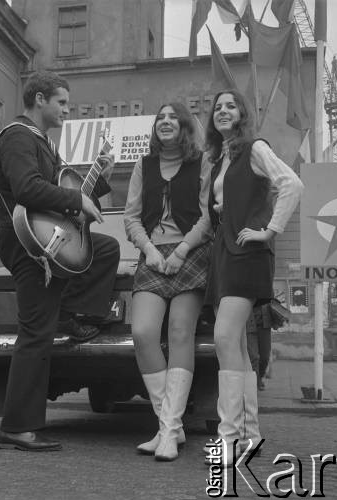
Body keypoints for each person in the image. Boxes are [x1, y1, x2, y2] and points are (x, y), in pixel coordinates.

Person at [0, 71, 120, 452]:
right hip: (27, 243)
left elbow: (63, 190)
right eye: (62, 102)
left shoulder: (43, 143)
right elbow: (28, 188)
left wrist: (98, 182)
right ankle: (17, 426)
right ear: (41, 98)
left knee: (106, 250)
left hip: (45, 239)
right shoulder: (17, 135)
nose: (67, 109)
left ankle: (69, 313)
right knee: (35, 334)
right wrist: (77, 201)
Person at [204, 89, 303, 465]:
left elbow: (292, 184)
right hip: (225, 253)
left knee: (225, 336)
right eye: (218, 108)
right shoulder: (221, 160)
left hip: (248, 252)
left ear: (242, 114)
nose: (223, 111)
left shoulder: (255, 149)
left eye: (231, 106)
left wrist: (270, 230)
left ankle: (228, 437)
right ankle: (249, 436)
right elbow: (227, 204)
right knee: (240, 349)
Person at [124, 102, 212, 461]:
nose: (165, 121)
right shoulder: (143, 166)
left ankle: (167, 431)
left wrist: (180, 251)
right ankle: (169, 428)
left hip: (191, 253)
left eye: (173, 117)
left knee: (179, 332)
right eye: (160, 117)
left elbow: (209, 214)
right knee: (143, 333)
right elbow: (131, 218)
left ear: (185, 127)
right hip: (153, 254)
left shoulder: (201, 162)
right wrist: (152, 251)